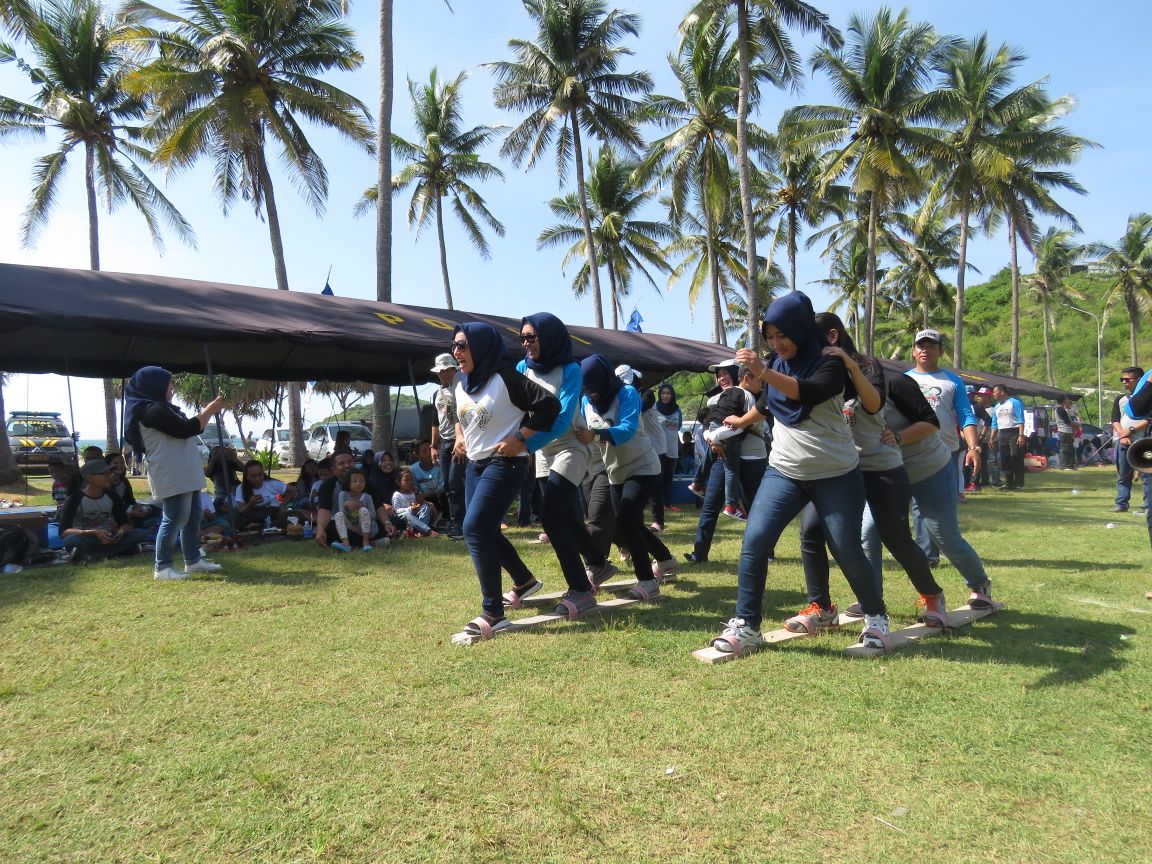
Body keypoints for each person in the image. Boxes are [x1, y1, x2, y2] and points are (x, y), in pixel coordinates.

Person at [707, 291, 890, 654]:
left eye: (783, 335)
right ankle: (746, 626)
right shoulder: (778, 363)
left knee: (847, 549)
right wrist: (739, 422)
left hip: (835, 472)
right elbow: (766, 403)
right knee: (755, 541)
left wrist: (764, 372)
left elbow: (809, 392)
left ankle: (875, 618)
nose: (777, 344)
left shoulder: (830, 361)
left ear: (802, 329)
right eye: (771, 337)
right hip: (785, 470)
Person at [795, 312, 949, 630]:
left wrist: (899, 436)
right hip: (836, 470)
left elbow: (873, 405)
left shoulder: (869, 368)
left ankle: (932, 596)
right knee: (811, 530)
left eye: (808, 339)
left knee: (895, 537)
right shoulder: (812, 372)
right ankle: (821, 607)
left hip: (879, 466)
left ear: (832, 337)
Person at [450, 322, 560, 642]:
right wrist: (459, 436)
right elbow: (461, 415)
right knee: (486, 530)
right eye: (453, 346)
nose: (456, 352)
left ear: (481, 347)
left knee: (474, 529)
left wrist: (520, 437)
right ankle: (524, 581)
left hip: (506, 463)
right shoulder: (460, 382)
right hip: (474, 466)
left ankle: (493, 613)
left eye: (462, 345)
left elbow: (549, 405)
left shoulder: (505, 378)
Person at [516, 313, 612, 615]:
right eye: (522, 338)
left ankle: (581, 589)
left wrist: (523, 445)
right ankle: (598, 563)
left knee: (551, 516)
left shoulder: (570, 370)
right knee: (567, 518)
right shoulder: (521, 368)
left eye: (532, 337)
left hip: (570, 445)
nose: (526, 343)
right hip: (543, 450)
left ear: (549, 337)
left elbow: (561, 418)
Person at [578, 353, 679, 603]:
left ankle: (647, 582)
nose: (590, 393)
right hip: (615, 472)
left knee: (626, 523)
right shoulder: (586, 402)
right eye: (585, 388)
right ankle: (665, 559)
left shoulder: (627, 393)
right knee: (626, 523)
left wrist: (596, 435)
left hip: (643, 466)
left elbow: (627, 429)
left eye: (592, 387)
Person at [125, 366, 226, 581]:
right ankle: (162, 567)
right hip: (170, 472)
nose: (171, 387)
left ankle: (193, 560)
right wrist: (210, 409)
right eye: (167, 383)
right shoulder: (151, 411)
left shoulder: (163, 408)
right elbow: (185, 429)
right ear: (154, 385)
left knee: (193, 517)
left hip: (183, 471)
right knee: (174, 518)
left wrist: (207, 412)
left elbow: (187, 428)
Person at [904, 329, 982, 560]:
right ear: (913, 351)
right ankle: (926, 555)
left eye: (931, 346)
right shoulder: (904, 380)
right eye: (921, 346)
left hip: (946, 452)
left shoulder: (952, 381)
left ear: (940, 351)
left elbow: (966, 415)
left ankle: (938, 550)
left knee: (942, 507)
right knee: (918, 505)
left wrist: (973, 448)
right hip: (911, 451)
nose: (925, 350)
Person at [58, 459, 151, 562]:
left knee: (140, 533)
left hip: (110, 536)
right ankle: (122, 550)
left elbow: (124, 523)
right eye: (104, 474)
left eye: (109, 473)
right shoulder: (74, 499)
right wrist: (94, 532)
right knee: (70, 541)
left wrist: (121, 531)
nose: (109, 477)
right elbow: (63, 532)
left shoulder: (112, 496)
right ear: (89, 477)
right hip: (87, 536)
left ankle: (93, 555)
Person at [314, 449, 396, 547]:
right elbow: (324, 509)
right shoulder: (328, 485)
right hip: (343, 525)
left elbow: (378, 507)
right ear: (334, 469)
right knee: (329, 529)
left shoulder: (366, 483)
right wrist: (320, 529)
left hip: (365, 523)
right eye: (341, 463)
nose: (347, 465)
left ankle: (363, 542)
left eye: (349, 462)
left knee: (392, 524)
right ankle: (371, 543)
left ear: (354, 463)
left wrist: (387, 523)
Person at [431, 352, 467, 538]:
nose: (444, 374)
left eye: (447, 370)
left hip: (460, 441)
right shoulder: (437, 393)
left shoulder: (462, 388)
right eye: (441, 371)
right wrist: (433, 446)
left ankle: (459, 522)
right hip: (444, 442)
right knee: (445, 485)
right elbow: (435, 421)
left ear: (454, 370)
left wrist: (462, 439)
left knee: (455, 482)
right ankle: (452, 520)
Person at [1112, 367, 1151, 515]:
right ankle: (1121, 503)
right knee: (1123, 475)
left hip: (1143, 441)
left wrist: (1131, 430)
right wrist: (1123, 435)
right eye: (1122, 379)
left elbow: (1149, 419)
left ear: (1140, 380)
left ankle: (1148, 506)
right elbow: (1115, 419)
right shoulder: (1120, 399)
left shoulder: (1147, 398)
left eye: (1128, 379)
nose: (1124, 382)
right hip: (1124, 441)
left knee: (1147, 476)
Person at [232, 460, 291, 530]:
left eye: (260, 475)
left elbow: (293, 490)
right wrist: (250, 504)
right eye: (253, 476)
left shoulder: (271, 483)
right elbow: (241, 511)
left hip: (272, 514)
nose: (258, 478)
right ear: (247, 477)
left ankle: (260, 525)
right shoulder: (241, 488)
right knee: (236, 516)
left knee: (289, 515)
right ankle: (260, 525)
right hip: (253, 516)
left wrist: (282, 506)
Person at [332, 467, 381, 550]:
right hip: (352, 525)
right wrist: (346, 506)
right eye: (354, 481)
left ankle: (366, 542)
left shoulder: (367, 497)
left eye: (361, 481)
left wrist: (361, 508)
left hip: (367, 528)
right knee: (338, 515)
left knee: (363, 510)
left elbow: (373, 515)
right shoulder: (343, 494)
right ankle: (345, 543)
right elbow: (342, 512)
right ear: (348, 483)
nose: (358, 484)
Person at [991, 384, 1027, 490]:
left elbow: (1021, 420)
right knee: (1005, 458)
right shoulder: (996, 407)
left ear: (1002, 392)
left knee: (1015, 456)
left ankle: (1019, 483)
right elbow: (994, 424)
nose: (993, 394)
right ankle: (1008, 482)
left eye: (995, 392)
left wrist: (1021, 435)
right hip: (1002, 433)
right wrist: (991, 438)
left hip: (1014, 432)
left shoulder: (1014, 402)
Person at [655, 383, 683, 512]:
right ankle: (658, 504)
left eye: (668, 393)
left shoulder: (677, 410)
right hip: (658, 449)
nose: (665, 396)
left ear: (672, 395)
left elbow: (679, 426)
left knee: (668, 479)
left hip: (672, 449)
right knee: (658, 478)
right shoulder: (654, 409)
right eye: (663, 393)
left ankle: (668, 504)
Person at [408, 439, 444, 524]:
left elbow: (442, 487)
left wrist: (425, 494)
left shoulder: (440, 465)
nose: (429, 453)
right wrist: (427, 502)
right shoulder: (413, 470)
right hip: (425, 500)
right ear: (416, 454)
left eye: (430, 449)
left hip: (440, 497)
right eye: (424, 451)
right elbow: (415, 491)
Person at [1054, 395, 1081, 470]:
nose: (1067, 402)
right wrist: (1077, 424)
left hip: (1066, 432)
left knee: (1070, 449)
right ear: (1063, 401)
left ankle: (1070, 465)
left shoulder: (1061, 410)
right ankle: (1065, 465)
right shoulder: (1060, 410)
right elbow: (1068, 422)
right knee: (1065, 449)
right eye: (1066, 400)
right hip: (1064, 431)